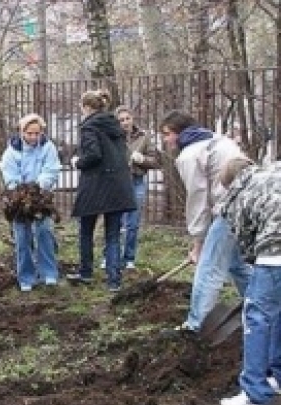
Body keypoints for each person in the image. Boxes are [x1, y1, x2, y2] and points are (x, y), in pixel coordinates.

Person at [159, 110, 250, 334]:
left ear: (180, 133)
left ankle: (194, 326)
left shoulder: (190, 154)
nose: (165, 139)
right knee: (236, 264)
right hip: (249, 205)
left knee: (208, 267)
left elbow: (198, 198)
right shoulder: (217, 140)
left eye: (167, 133)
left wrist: (198, 242)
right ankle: (264, 303)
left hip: (230, 209)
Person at [218, 157, 281, 405]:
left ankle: (254, 395)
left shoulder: (241, 195)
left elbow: (245, 242)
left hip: (275, 254)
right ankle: (277, 376)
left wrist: (254, 265)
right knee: (278, 314)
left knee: (256, 317)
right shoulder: (272, 174)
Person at [67, 89, 137, 293]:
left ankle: (86, 272)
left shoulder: (89, 127)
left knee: (86, 230)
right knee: (113, 234)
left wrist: (77, 162)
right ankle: (114, 280)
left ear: (86, 107)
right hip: (117, 187)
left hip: (95, 186)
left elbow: (93, 155)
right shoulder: (116, 126)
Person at [0, 113, 61, 291]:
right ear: (21, 132)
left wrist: (39, 187)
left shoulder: (48, 147)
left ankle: (48, 273)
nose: (33, 137)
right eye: (29, 133)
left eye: (37, 133)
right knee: (22, 236)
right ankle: (26, 277)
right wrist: (22, 192)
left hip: (42, 197)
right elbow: (10, 177)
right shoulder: (11, 152)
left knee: (44, 232)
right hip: (19, 201)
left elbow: (51, 169)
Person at [101, 106, 160, 270]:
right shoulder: (111, 137)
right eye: (121, 120)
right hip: (117, 183)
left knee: (132, 223)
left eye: (127, 118)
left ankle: (129, 258)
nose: (125, 122)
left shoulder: (144, 137)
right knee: (114, 222)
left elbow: (155, 160)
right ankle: (109, 256)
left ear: (132, 118)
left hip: (136, 181)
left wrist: (142, 159)